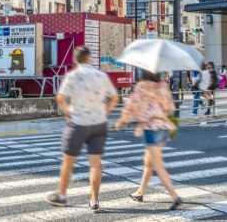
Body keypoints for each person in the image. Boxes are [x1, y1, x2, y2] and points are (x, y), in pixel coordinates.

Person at [45, 46, 118, 212]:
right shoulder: (101, 75)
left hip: (78, 122)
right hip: (98, 123)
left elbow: (60, 98)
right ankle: (94, 200)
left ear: (75, 60)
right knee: (95, 163)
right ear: (89, 58)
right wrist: (105, 112)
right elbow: (114, 97)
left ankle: (62, 195)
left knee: (68, 161)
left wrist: (68, 113)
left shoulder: (73, 76)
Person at [116, 70, 183, 210]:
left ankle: (175, 196)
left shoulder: (142, 86)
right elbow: (170, 108)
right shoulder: (163, 85)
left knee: (158, 166)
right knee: (149, 162)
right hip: (164, 128)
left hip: (151, 129)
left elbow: (131, 105)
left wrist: (122, 121)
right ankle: (140, 192)